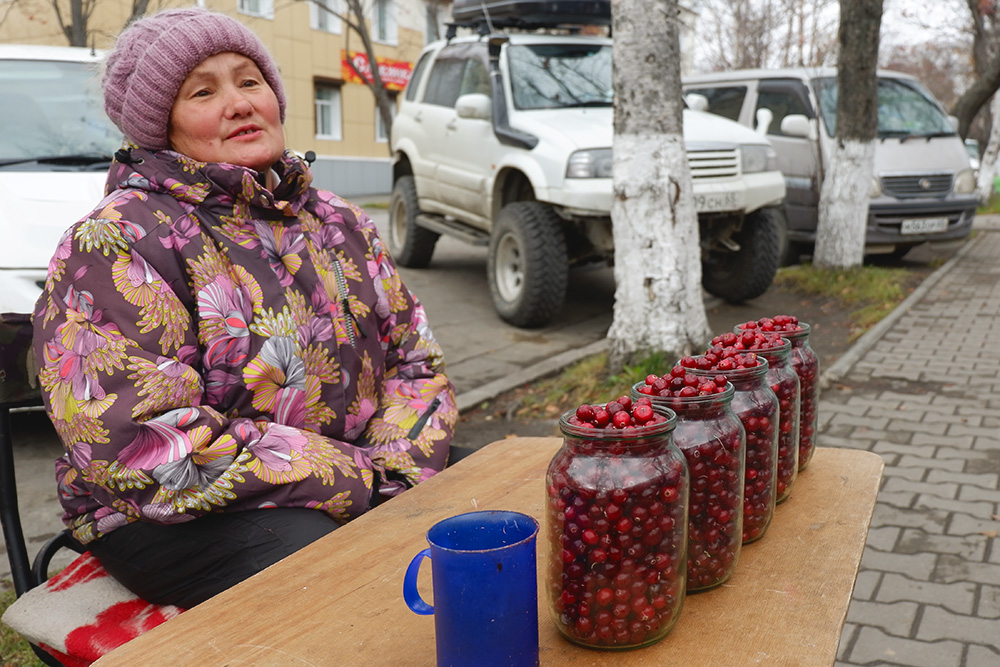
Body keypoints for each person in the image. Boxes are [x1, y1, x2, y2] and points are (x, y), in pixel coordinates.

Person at [31, 7, 457, 609]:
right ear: (162, 127)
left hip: (358, 474)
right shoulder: (116, 242)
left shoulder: (338, 221)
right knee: (341, 573)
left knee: (484, 499)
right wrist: (353, 478)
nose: (238, 102)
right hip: (170, 514)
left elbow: (415, 363)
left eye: (249, 80)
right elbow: (141, 449)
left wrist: (397, 467)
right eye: (203, 91)